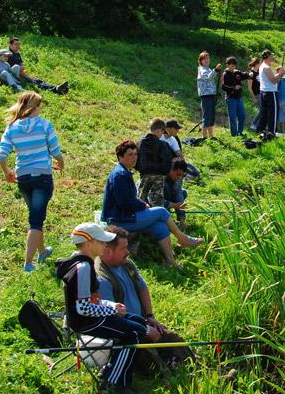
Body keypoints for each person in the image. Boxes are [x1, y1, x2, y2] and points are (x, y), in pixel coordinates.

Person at [55, 223, 158, 391]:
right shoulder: (84, 268)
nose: (105, 244)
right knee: (136, 333)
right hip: (87, 322)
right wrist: (112, 309)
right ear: (89, 244)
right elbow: (83, 307)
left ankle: (112, 370)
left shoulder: (83, 263)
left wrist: (110, 304)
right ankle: (115, 381)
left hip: (90, 317)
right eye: (101, 241)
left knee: (139, 322)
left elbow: (91, 301)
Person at [96, 225, 194, 377]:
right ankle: (168, 373)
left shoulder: (127, 264)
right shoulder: (101, 279)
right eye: (123, 248)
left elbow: (142, 288)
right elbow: (113, 319)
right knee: (150, 360)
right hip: (126, 335)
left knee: (173, 339)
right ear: (108, 251)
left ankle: (194, 367)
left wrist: (149, 316)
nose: (128, 252)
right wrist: (145, 329)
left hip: (142, 323)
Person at [102, 140, 203, 269]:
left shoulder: (124, 172)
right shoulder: (120, 175)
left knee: (161, 227)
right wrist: (142, 205)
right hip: (119, 219)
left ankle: (171, 262)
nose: (134, 157)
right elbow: (124, 202)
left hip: (126, 216)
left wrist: (141, 204)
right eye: (130, 155)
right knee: (161, 211)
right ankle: (183, 239)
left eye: (135, 154)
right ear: (120, 157)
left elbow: (128, 200)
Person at [0, 91, 64, 272]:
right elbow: (55, 150)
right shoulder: (44, 125)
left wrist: (7, 172)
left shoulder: (12, 128)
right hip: (42, 177)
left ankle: (42, 252)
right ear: (35, 107)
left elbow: (2, 155)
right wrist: (61, 162)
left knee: (36, 215)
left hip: (23, 178)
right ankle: (28, 264)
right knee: (36, 220)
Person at [136, 118, 174, 206]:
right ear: (159, 130)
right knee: (157, 202)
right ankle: (158, 214)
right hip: (159, 177)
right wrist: (164, 173)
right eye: (162, 132)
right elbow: (168, 162)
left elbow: (135, 159)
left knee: (141, 201)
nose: (162, 135)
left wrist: (140, 169)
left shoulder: (139, 143)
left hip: (144, 175)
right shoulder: (163, 145)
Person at [256, 50, 285, 139]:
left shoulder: (262, 66)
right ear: (268, 56)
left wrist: (279, 75)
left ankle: (260, 131)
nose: (272, 57)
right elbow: (273, 80)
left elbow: (272, 79)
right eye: (271, 55)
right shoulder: (266, 67)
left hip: (263, 92)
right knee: (273, 113)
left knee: (264, 113)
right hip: (270, 93)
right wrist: (280, 74)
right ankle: (272, 133)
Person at [220, 57, 250, 137]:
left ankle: (240, 132)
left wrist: (249, 74)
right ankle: (234, 134)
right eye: (231, 65)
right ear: (227, 65)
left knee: (242, 115)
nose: (233, 67)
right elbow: (223, 86)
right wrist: (233, 88)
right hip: (230, 98)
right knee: (232, 117)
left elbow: (244, 75)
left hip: (239, 97)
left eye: (234, 66)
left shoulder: (237, 72)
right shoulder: (225, 74)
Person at [196, 51, 221, 139]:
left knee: (211, 115)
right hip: (206, 95)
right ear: (201, 61)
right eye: (204, 59)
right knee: (207, 115)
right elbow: (208, 77)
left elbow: (211, 77)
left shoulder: (208, 69)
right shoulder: (201, 69)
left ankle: (211, 135)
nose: (206, 60)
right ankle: (204, 136)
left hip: (211, 95)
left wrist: (215, 71)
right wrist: (216, 70)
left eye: (207, 58)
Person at [247, 58, 262, 133]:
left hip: (262, 93)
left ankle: (259, 125)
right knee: (262, 110)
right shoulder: (251, 74)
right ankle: (253, 124)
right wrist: (253, 98)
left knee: (263, 110)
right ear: (256, 64)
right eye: (260, 63)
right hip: (256, 95)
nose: (261, 65)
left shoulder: (259, 72)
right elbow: (249, 88)